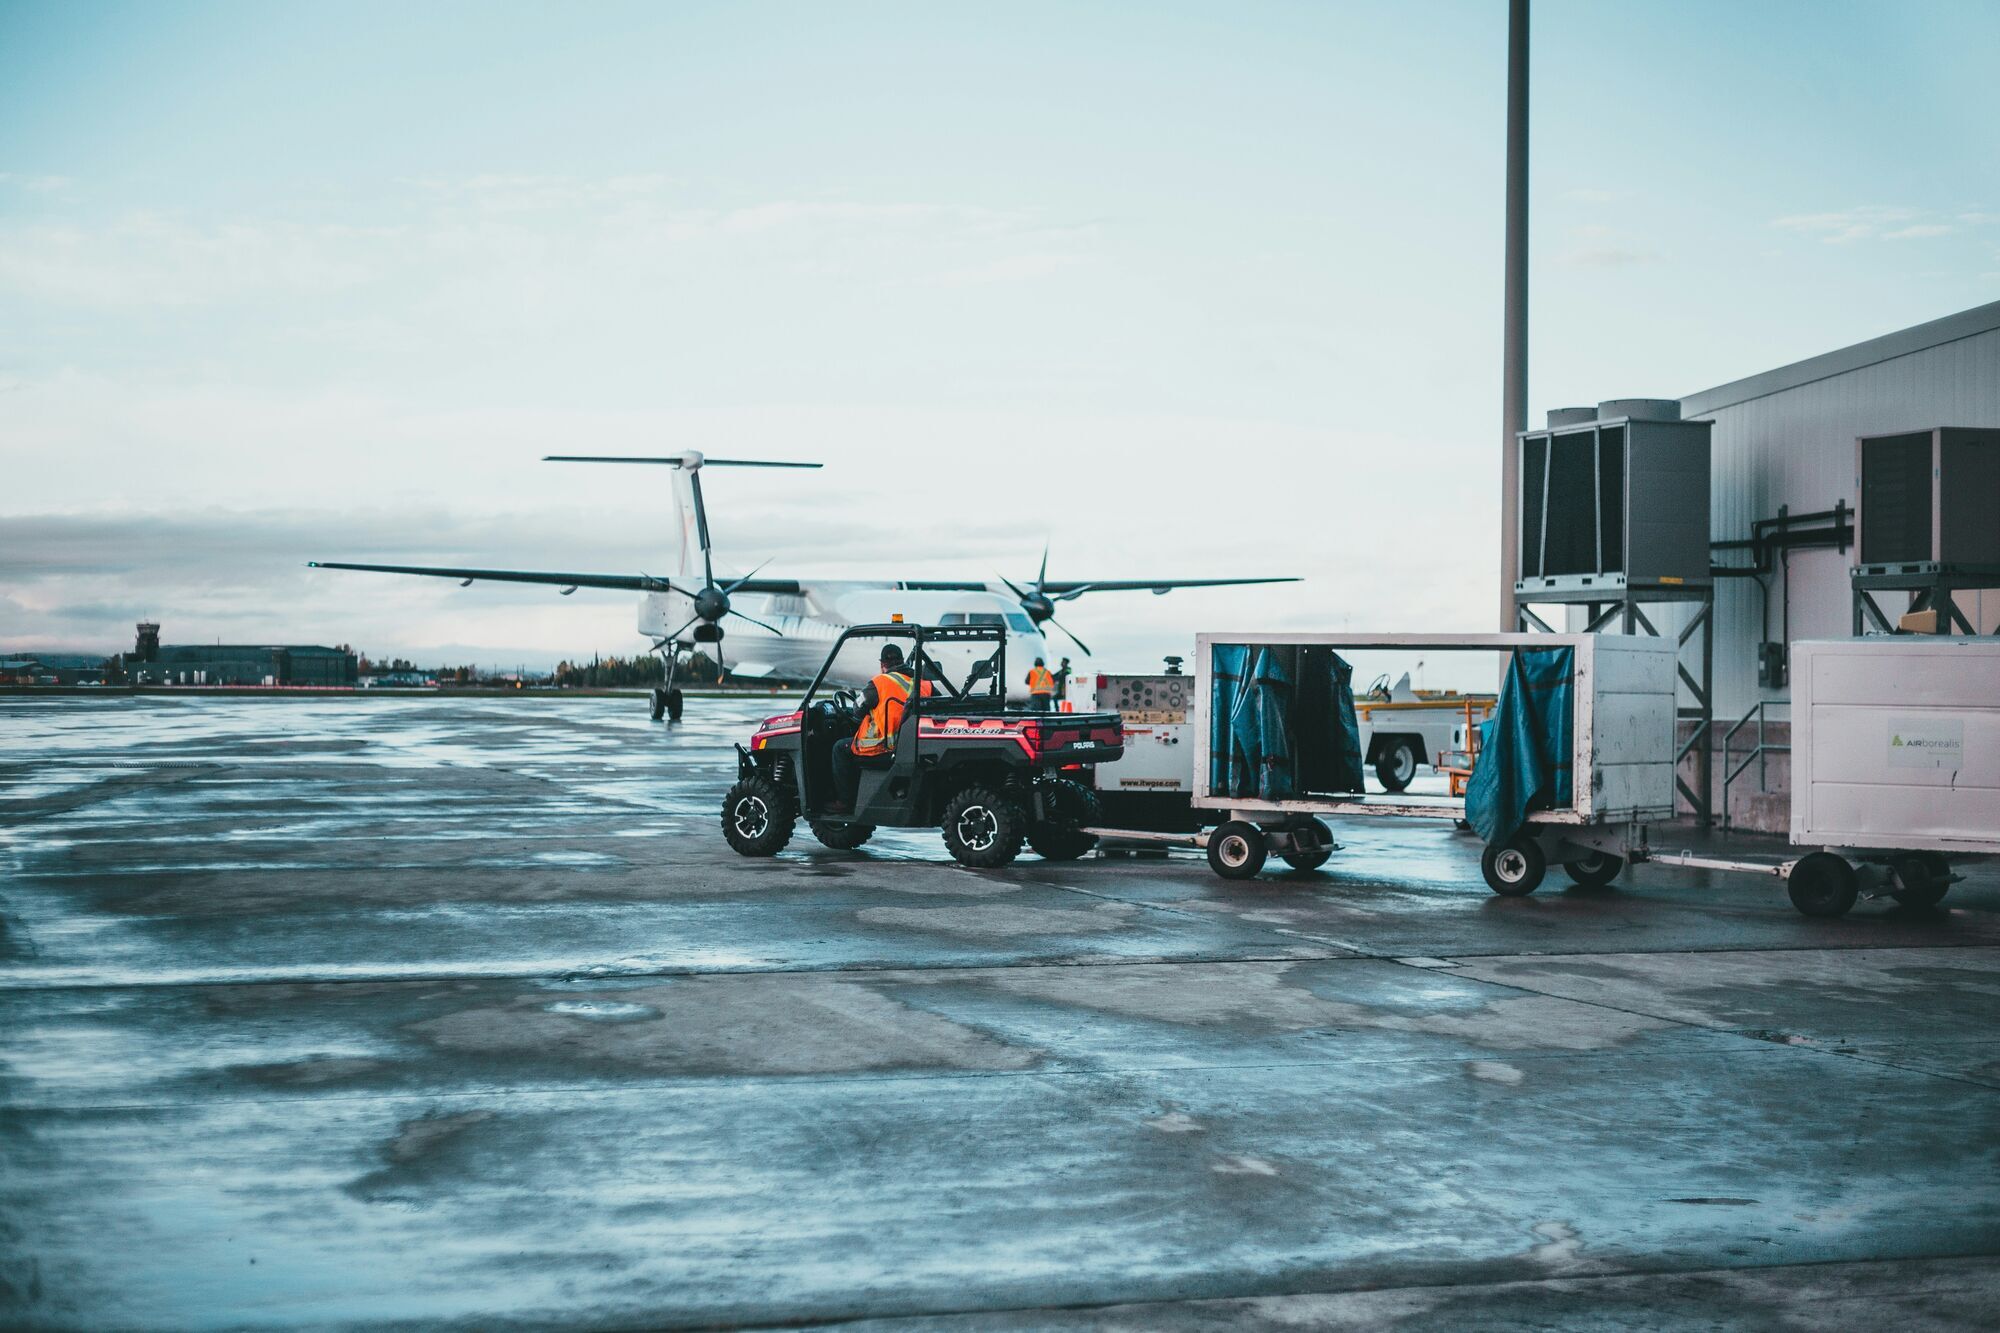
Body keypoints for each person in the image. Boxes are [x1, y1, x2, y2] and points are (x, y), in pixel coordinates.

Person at [829, 643, 916, 812]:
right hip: (909, 745)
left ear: (883, 664)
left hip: (883, 747)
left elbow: (857, 709)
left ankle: (845, 802)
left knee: (839, 749)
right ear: (902, 660)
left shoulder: (879, 683)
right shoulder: (921, 682)